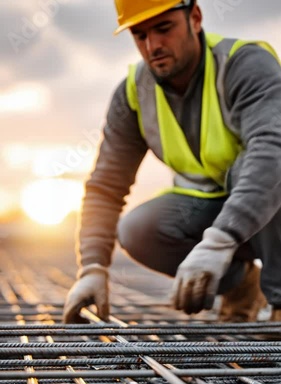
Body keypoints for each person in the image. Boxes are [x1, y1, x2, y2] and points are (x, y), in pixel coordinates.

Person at [63, 0, 281, 324]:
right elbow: (106, 186)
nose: (153, 46)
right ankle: (240, 287)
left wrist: (219, 241)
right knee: (139, 230)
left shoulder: (244, 64)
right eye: (140, 35)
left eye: (164, 29)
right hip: (222, 211)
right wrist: (92, 267)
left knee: (264, 169)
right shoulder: (135, 93)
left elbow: (272, 149)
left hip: (267, 200)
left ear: (195, 18)